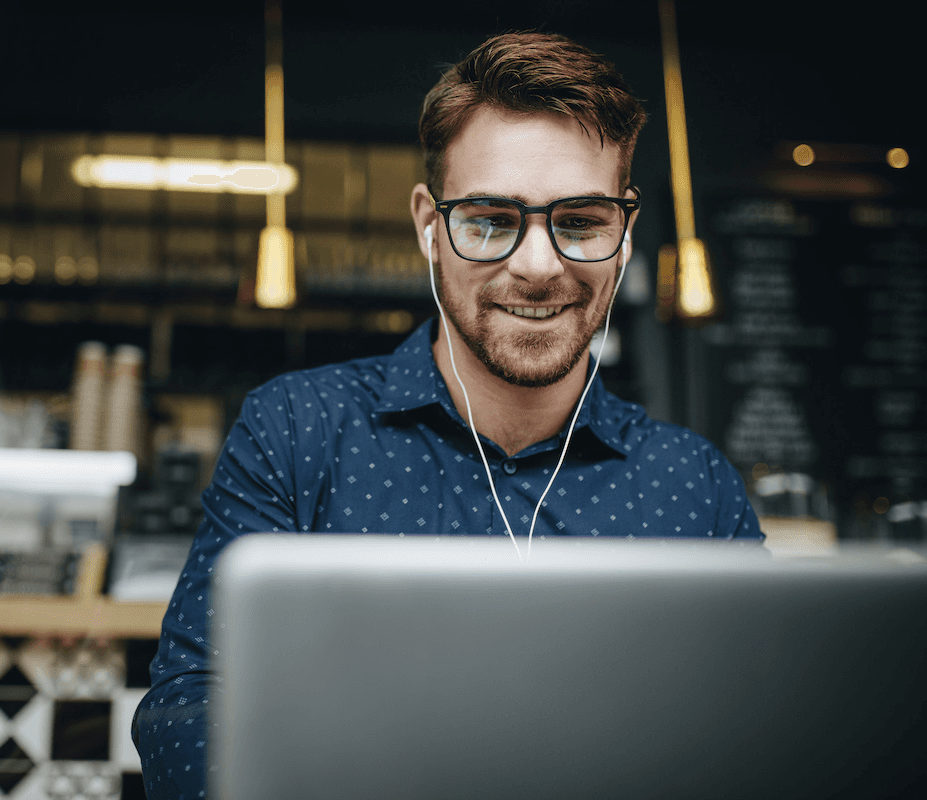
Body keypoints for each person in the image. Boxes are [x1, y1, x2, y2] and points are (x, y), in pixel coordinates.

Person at [132, 30, 763, 799]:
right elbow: (187, 712)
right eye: (491, 220)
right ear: (430, 226)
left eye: (583, 221)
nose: (538, 265)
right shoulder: (297, 432)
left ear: (625, 233)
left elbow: (759, 741)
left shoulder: (695, 488)